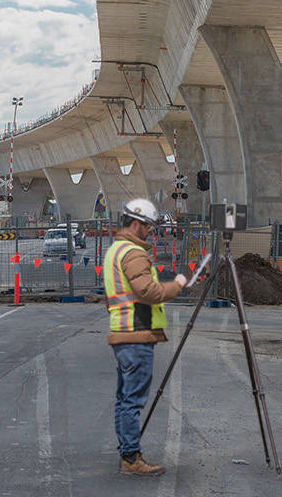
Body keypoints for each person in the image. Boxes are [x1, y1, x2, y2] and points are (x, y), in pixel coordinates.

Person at [104, 198, 188, 476]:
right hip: (136, 334)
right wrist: (176, 286)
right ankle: (131, 458)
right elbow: (148, 292)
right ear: (137, 224)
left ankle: (128, 452)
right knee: (132, 401)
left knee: (124, 399)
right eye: (149, 227)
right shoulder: (133, 253)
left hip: (123, 333)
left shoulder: (115, 250)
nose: (151, 232)